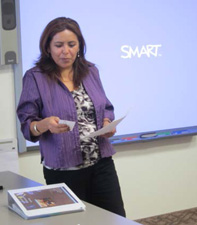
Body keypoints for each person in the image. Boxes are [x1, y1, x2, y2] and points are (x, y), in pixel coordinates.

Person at [16, 17, 126, 217]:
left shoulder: (91, 71)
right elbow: (27, 126)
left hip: (101, 164)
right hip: (63, 169)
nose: (65, 51)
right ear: (48, 48)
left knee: (115, 219)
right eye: (58, 45)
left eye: (71, 44)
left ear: (79, 47)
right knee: (73, 222)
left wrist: (107, 122)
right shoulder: (35, 77)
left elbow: (105, 107)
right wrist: (44, 124)